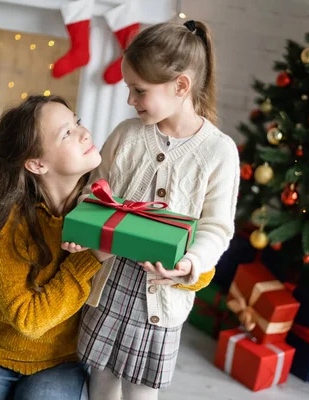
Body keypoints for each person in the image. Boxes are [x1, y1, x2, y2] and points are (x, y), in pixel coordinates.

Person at [76, 20, 240, 399]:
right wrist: (82, 233)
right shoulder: (126, 134)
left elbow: (217, 227)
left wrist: (191, 263)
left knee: (140, 392)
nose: (131, 100)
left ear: (181, 86)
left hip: (160, 300)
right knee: (100, 381)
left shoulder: (218, 153)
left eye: (139, 90)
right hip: (109, 287)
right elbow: (94, 192)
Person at [0, 95, 109, 400]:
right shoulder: (8, 223)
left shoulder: (104, 203)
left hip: (61, 362)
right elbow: (29, 321)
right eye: (67, 133)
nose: (84, 132)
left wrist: (188, 268)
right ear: (37, 163)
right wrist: (90, 258)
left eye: (76, 122)